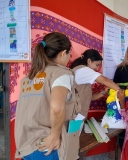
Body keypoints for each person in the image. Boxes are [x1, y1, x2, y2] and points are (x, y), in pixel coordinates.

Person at [15, 32, 79, 160]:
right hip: (48, 146)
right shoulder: (60, 74)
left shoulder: (28, 78)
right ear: (62, 53)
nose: (68, 58)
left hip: (26, 144)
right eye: (68, 55)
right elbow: (56, 107)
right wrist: (55, 135)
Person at [70, 49, 120, 117]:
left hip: (76, 113)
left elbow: (89, 97)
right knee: (74, 128)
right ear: (89, 61)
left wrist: (103, 92)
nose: (97, 69)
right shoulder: (84, 70)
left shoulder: (82, 72)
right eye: (97, 65)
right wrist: (120, 91)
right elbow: (105, 80)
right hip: (74, 114)